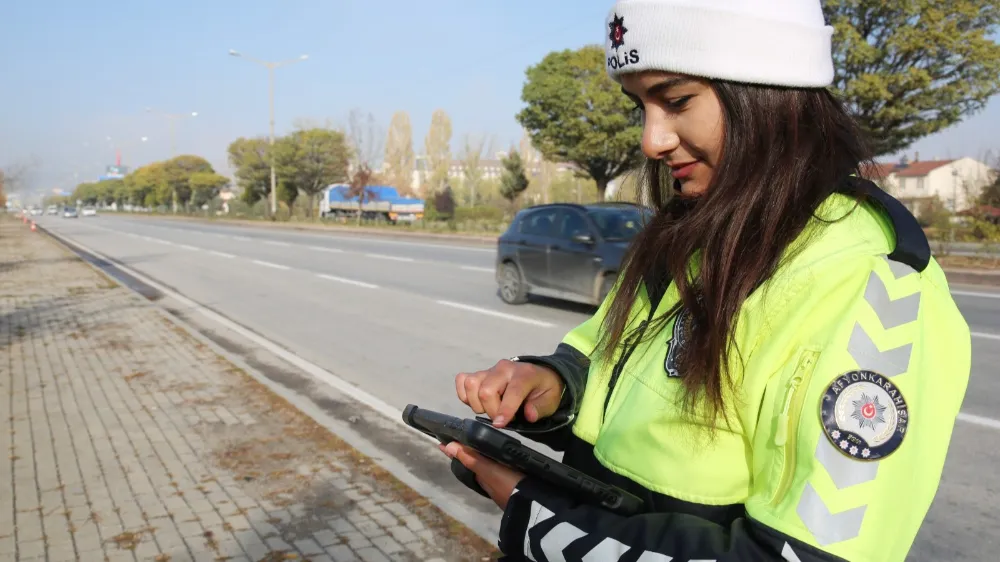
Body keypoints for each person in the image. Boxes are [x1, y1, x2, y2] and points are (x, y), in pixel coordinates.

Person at [440, 0, 973, 561]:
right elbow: (607, 362)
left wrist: (539, 520)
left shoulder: (869, 287)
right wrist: (553, 387)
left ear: (769, 88)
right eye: (640, 105)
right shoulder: (689, 234)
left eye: (676, 101)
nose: (651, 140)